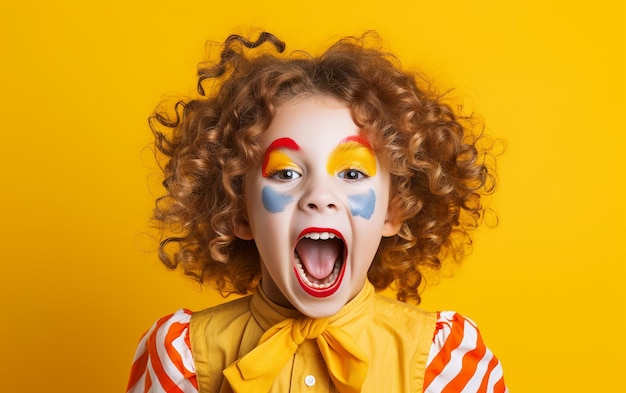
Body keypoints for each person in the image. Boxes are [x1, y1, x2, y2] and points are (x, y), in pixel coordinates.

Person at [126, 31, 507, 393]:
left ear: (395, 210)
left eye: (352, 173)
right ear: (239, 212)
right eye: (287, 173)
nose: (319, 196)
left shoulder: (446, 364)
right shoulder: (184, 359)